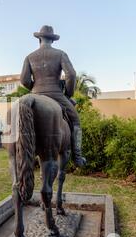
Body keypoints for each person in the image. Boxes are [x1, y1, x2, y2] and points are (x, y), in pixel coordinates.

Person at [20, 25, 86, 167]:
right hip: (56, 94)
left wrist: (35, 88)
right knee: (75, 122)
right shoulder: (60, 54)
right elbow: (71, 75)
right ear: (53, 40)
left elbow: (24, 80)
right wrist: (68, 94)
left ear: (39, 39)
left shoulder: (29, 57)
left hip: (35, 93)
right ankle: (78, 157)